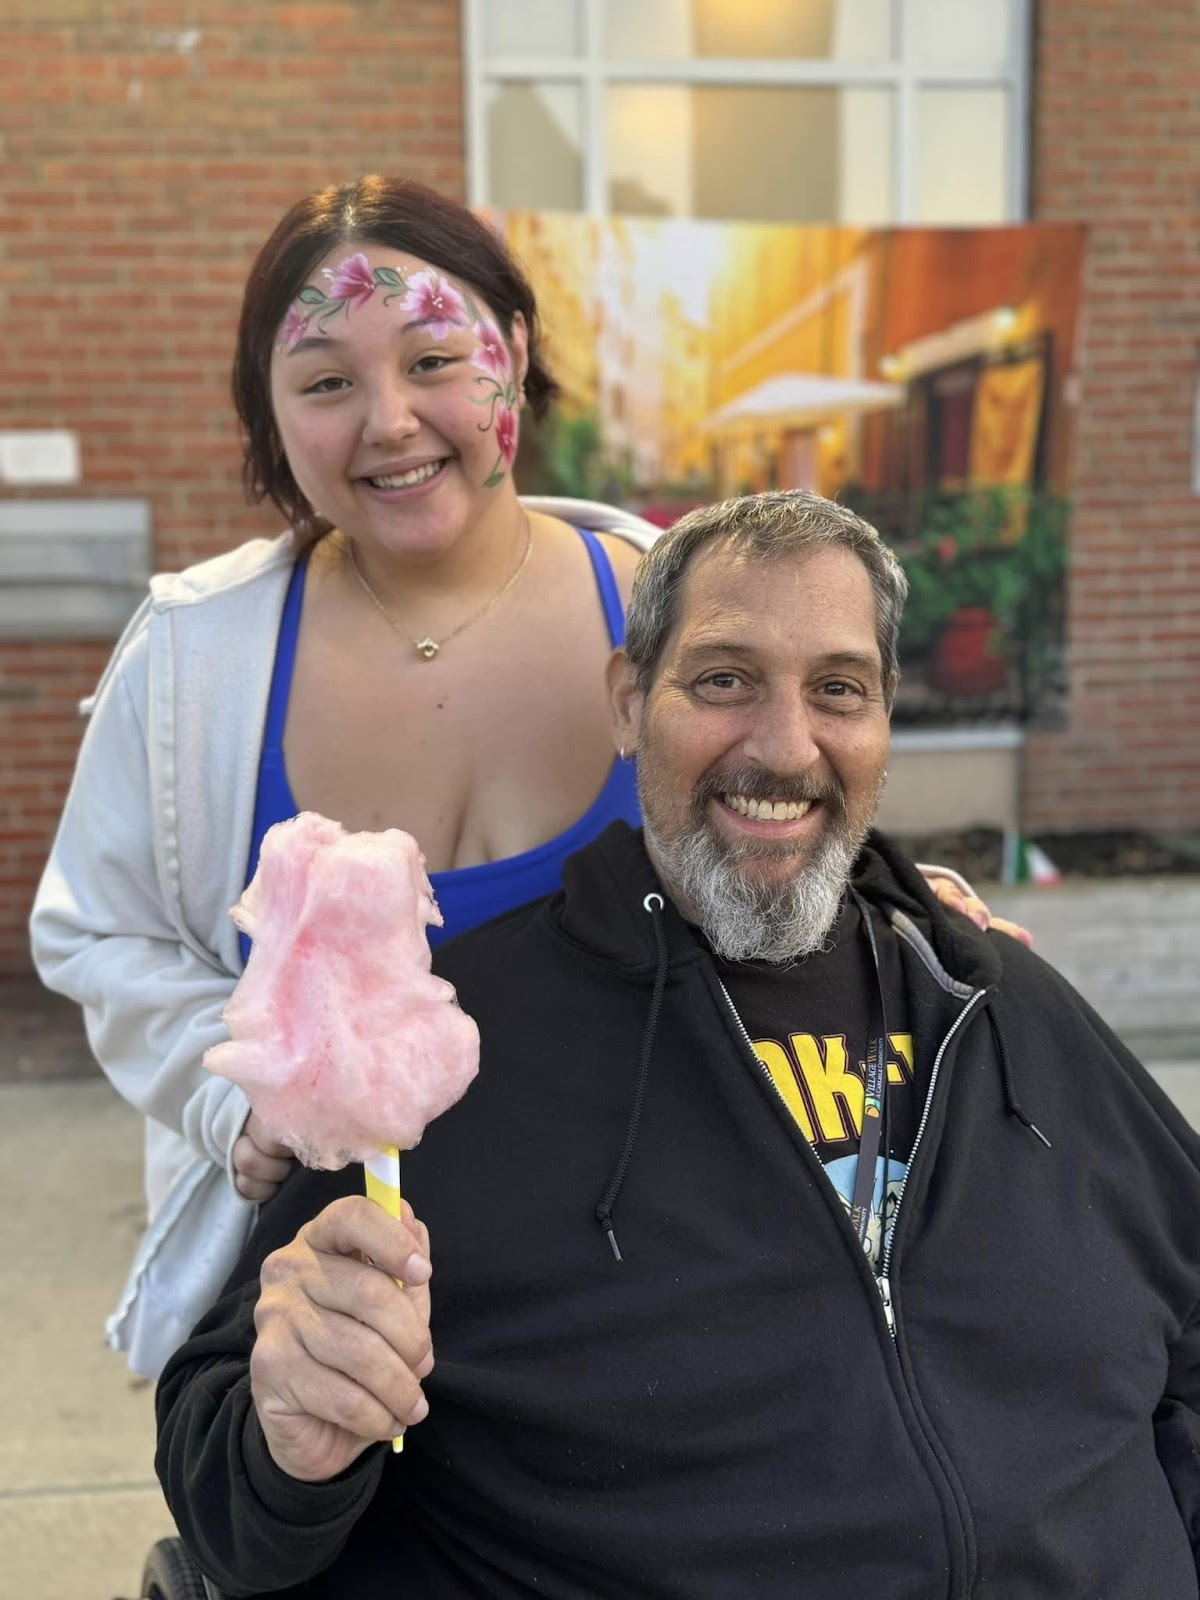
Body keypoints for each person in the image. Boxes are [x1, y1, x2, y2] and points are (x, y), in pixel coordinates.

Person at [29, 176, 1013, 1381]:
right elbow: (98, 932)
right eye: (328, 381)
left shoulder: (670, 601)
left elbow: (785, 807)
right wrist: (229, 1097)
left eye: (435, 359)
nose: (389, 421)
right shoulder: (196, 660)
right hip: (328, 1308)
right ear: (271, 414)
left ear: (517, 354)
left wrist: (910, 915)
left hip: (645, 1285)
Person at [156, 489, 1200, 1599]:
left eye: (838, 690)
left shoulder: (993, 999)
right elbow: (230, 1501)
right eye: (724, 680)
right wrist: (293, 1434)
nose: (784, 746)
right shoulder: (451, 1046)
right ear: (628, 701)